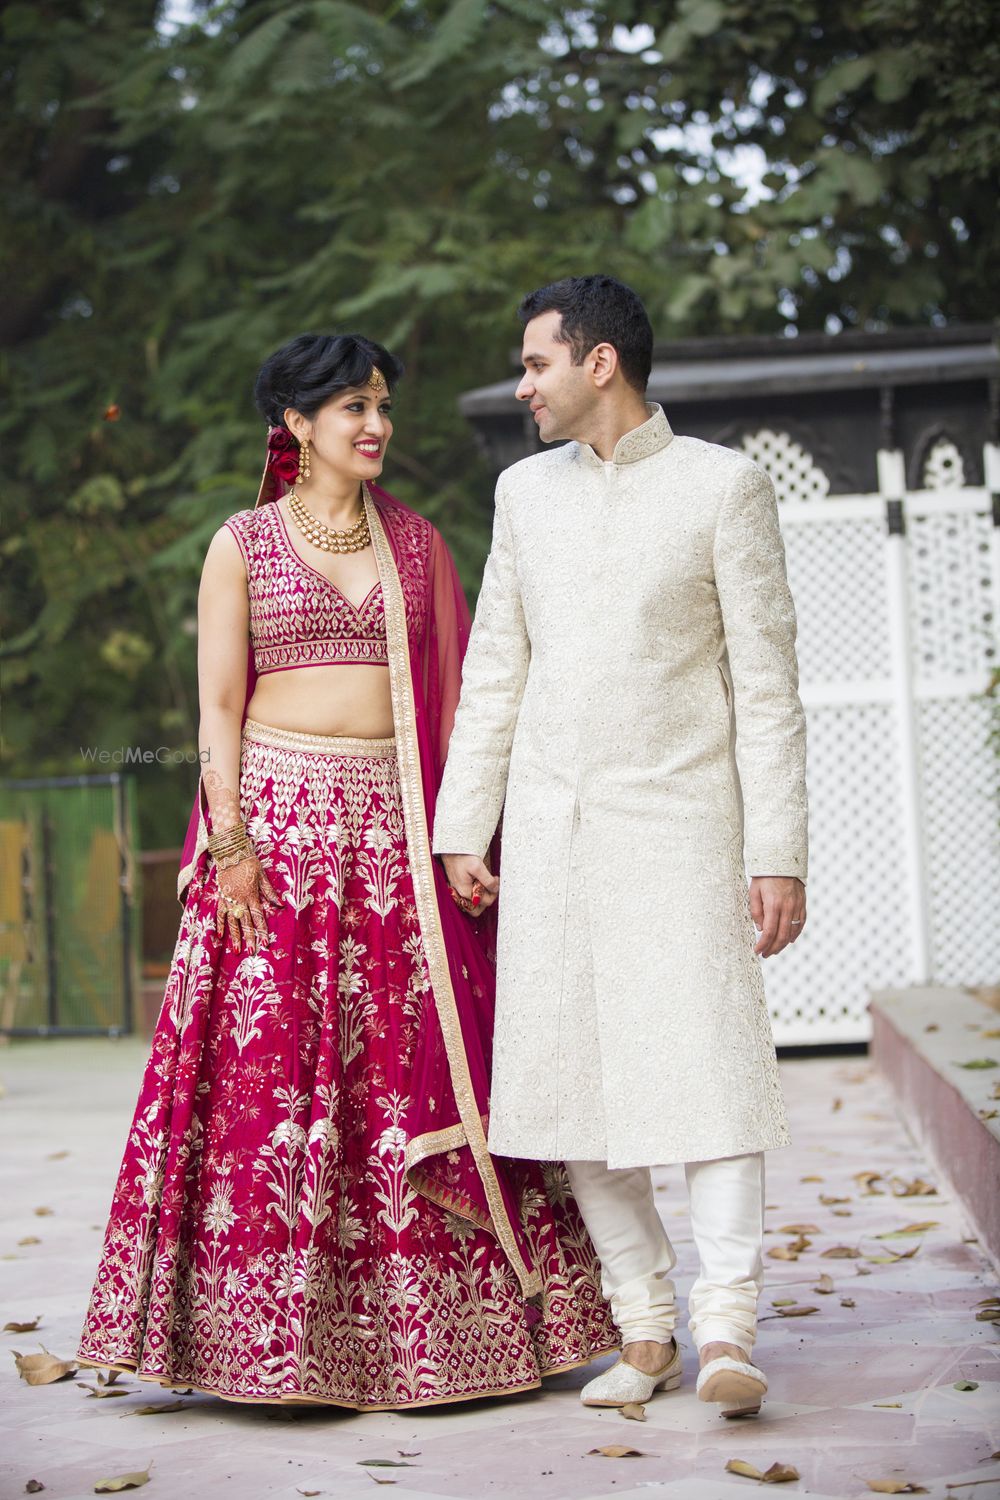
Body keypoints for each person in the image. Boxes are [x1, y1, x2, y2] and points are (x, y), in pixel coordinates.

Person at [77, 332, 617, 1409]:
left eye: (380, 405)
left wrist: (469, 839)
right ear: (294, 424)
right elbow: (217, 709)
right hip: (272, 845)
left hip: (395, 841)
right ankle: (262, 1343)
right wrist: (227, 849)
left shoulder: (417, 548)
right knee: (271, 1089)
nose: (374, 425)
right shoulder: (241, 543)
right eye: (350, 409)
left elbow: (465, 705)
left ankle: (443, 1341)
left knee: (402, 1077)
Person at [433, 277, 808, 1418]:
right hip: (552, 832)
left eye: (536, 362)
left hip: (686, 829)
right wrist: (464, 824)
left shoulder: (722, 489)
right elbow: (497, 668)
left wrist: (777, 850)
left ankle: (729, 1327)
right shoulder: (523, 495)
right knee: (567, 1085)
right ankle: (643, 1326)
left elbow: (767, 689)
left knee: (711, 1077)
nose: (522, 383)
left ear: (599, 363)